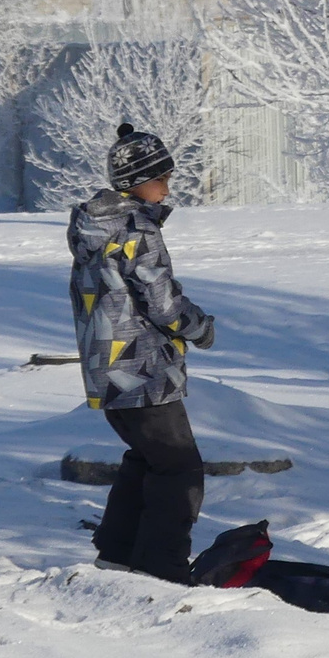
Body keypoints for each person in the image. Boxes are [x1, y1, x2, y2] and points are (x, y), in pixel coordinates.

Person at [67, 122, 215, 583]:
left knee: (148, 458)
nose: (168, 187)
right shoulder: (136, 229)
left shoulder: (94, 227)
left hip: (106, 370)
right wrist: (200, 327)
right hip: (143, 367)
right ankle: (164, 565)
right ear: (137, 182)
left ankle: (117, 552)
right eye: (162, 178)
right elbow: (163, 304)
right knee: (179, 469)